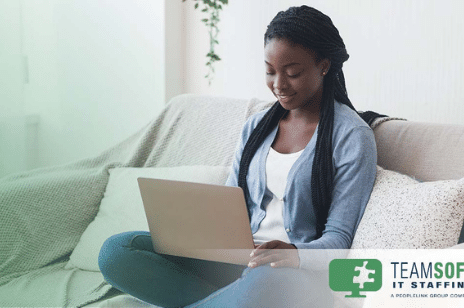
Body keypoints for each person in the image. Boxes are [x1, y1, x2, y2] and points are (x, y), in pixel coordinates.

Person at [98, 5, 377, 308]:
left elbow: (339, 242)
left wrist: (293, 253)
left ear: (323, 66)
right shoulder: (256, 127)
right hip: (236, 262)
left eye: (293, 73)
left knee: (265, 283)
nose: (279, 85)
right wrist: (198, 234)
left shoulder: (352, 136)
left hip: (292, 274)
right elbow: (228, 206)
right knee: (117, 250)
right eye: (270, 71)